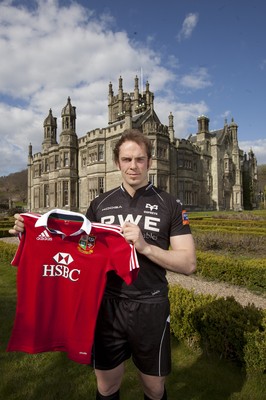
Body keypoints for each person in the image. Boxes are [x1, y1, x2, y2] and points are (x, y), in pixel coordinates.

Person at [10, 129, 196, 400]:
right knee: (107, 387)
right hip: (107, 306)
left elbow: (188, 263)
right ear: (117, 162)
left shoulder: (170, 204)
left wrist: (144, 247)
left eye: (140, 159)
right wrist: (34, 234)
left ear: (150, 161)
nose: (133, 166)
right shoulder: (100, 204)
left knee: (154, 389)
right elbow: (76, 250)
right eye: (127, 159)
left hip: (151, 306)